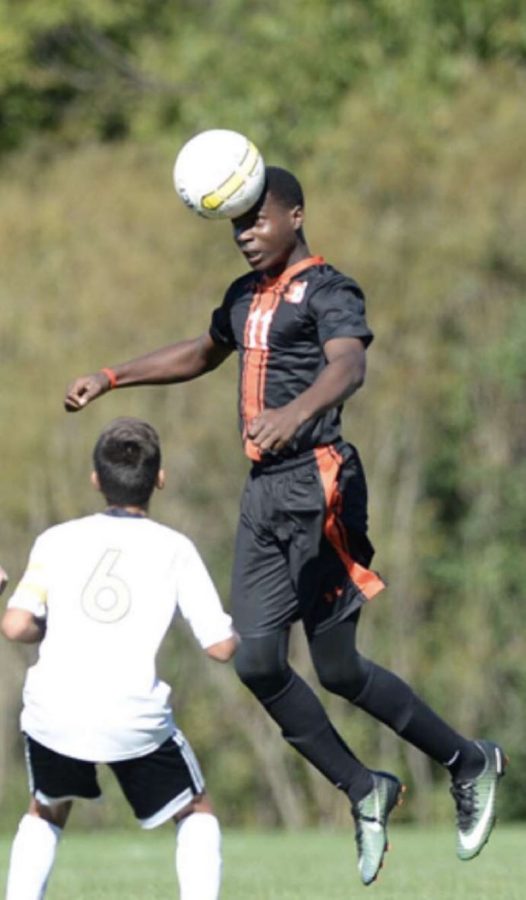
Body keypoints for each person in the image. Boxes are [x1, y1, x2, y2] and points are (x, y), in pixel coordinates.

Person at [64, 167, 506, 887]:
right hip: (264, 494)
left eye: (258, 220)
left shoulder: (330, 290)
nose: (246, 235)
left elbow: (350, 365)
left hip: (321, 484)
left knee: (336, 669)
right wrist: (112, 376)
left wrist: (293, 413)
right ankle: (365, 788)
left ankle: (467, 761)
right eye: (237, 225)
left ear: (295, 215)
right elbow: (203, 351)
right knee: (257, 662)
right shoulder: (244, 297)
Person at [1, 417, 237, 900]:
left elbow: (15, 626)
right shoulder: (176, 549)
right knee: (196, 811)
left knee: (47, 809)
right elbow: (220, 648)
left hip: (53, 711)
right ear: (160, 479)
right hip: (134, 716)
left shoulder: (55, 540)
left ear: (95, 480)